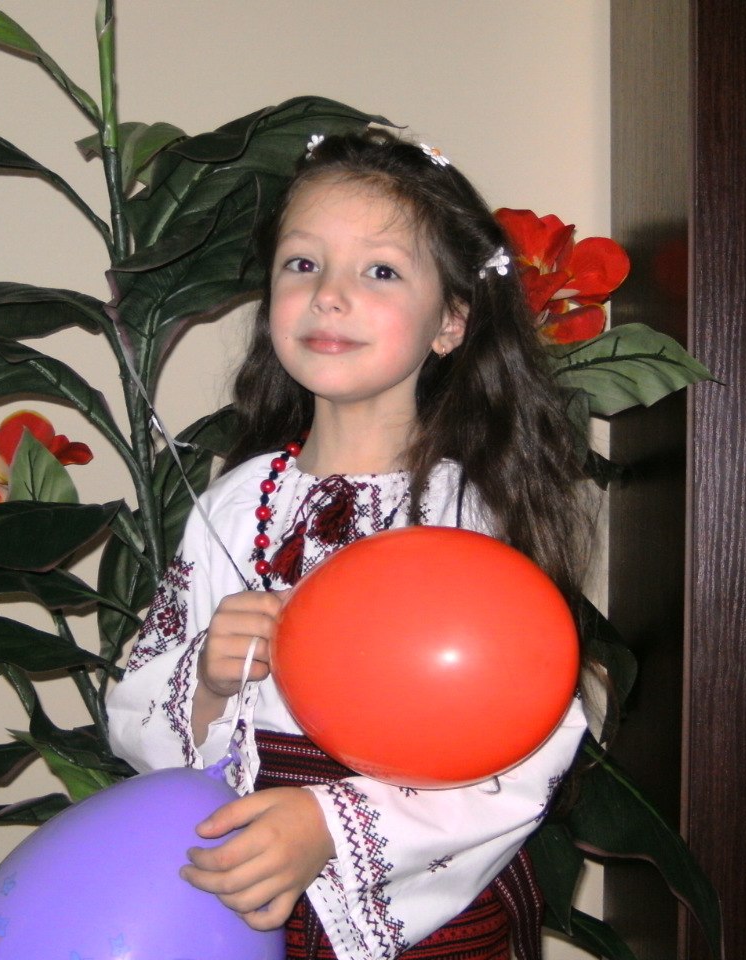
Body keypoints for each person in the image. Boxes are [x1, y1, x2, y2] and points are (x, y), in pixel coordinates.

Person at [107, 130, 594, 960]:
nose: (329, 295)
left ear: (450, 322)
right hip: (241, 900)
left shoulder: (470, 518)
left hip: (417, 922)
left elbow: (530, 748)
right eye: (303, 264)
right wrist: (207, 681)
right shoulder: (235, 502)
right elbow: (138, 713)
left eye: (381, 271)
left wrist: (332, 824)